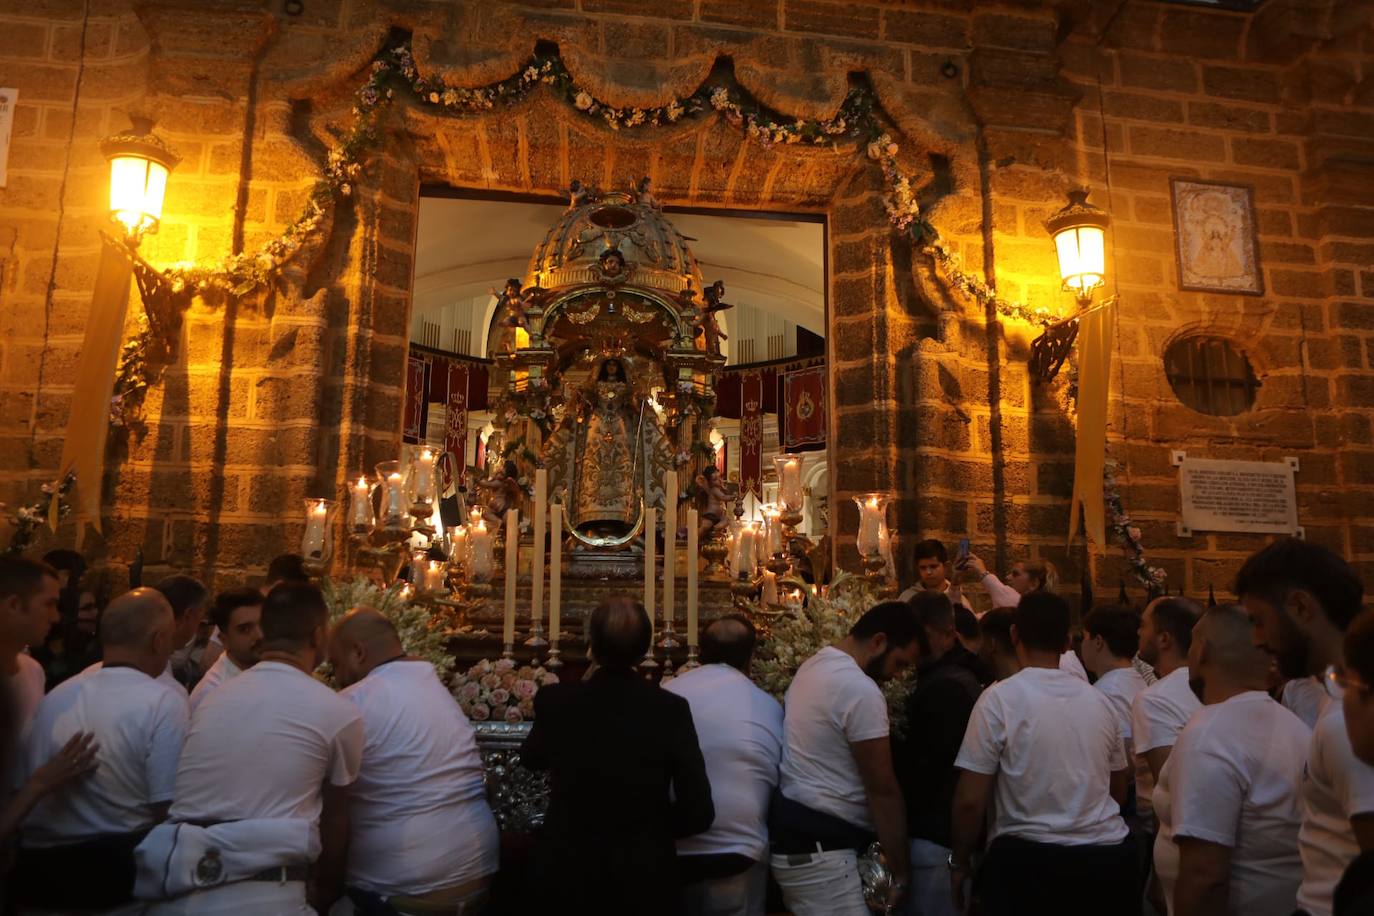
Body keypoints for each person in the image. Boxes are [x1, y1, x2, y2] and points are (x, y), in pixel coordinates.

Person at [149, 583, 364, 914]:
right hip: (268, 894)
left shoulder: (214, 698)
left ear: (265, 634)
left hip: (181, 886)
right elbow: (336, 817)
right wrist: (327, 890)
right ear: (319, 636)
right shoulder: (338, 711)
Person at [521, 596, 713, 915]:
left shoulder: (556, 700)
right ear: (645, 648)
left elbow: (531, 758)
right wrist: (650, 832)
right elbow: (699, 810)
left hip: (568, 869)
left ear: (591, 645)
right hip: (643, 876)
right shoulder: (669, 709)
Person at [950, 591, 1135, 916]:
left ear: (1014, 635)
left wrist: (960, 861)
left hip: (1027, 863)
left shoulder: (998, 699)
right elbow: (1118, 787)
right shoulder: (1100, 701)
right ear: (1066, 643)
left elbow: (970, 799)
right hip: (1104, 860)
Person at [13, 588, 188, 912]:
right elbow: (170, 807)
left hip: (36, 878)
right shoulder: (163, 701)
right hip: (115, 881)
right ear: (158, 640)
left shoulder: (58, 696)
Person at [330, 608, 499, 915]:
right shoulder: (436, 690)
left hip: (404, 887)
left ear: (358, 653)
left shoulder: (356, 701)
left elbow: (330, 813)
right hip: (478, 870)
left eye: (336, 665)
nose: (337, 678)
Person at [1237, 538, 1367, 916]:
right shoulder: (1335, 698)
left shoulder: (1349, 717)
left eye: (1259, 621)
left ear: (1300, 607)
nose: (1256, 640)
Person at [1152, 604, 1309, 916]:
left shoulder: (1210, 735)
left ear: (1202, 651)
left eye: (1192, 642)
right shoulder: (1294, 725)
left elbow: (1204, 876)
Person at [769, 601, 921, 915]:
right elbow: (882, 789)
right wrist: (902, 872)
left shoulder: (813, 666)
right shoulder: (858, 689)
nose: (898, 675)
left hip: (800, 838)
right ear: (879, 641)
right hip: (824, 853)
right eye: (900, 663)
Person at [664, 614, 783, 916]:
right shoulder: (767, 705)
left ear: (700, 651)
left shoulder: (667, 694)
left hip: (670, 849)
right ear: (751, 657)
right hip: (740, 852)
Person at [892, 592, 984, 916]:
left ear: (949, 634)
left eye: (924, 636)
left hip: (937, 838)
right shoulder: (947, 676)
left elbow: (929, 770)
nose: (915, 646)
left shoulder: (948, 687)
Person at [1132, 596, 1204, 828]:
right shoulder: (1213, 684)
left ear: (1164, 639)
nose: (1138, 632)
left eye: (1144, 626)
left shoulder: (1155, 699)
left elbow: (1165, 789)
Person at [188, 588, 262, 715]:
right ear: (224, 639)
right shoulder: (215, 693)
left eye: (263, 624)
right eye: (245, 629)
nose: (260, 635)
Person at [960, 553, 1057, 609]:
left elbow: (1008, 597)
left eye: (1015, 574)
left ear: (1033, 584)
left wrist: (983, 573)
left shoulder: (1032, 610)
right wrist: (956, 582)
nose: (1008, 577)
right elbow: (975, 621)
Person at [898, 540, 972, 610]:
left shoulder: (960, 601)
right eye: (923, 568)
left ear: (946, 566)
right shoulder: (907, 598)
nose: (928, 572)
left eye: (933, 566)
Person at [976, 607, 1021, 682]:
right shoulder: (1039, 681)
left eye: (981, 641)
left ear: (991, 644)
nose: (979, 648)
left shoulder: (994, 690)